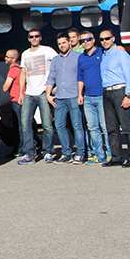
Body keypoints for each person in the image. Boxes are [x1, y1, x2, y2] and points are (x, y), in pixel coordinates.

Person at [99, 29, 130, 168]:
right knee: (111, 127)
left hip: (119, 91)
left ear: (113, 38)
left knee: (126, 126)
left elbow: (129, 74)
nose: (105, 41)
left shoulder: (120, 53)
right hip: (107, 92)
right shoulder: (104, 55)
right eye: (102, 39)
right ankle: (116, 157)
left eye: (107, 38)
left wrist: (128, 95)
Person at [17, 30, 58, 165]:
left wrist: (52, 84)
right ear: (28, 39)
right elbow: (23, 74)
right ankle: (29, 154)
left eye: (36, 36)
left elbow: (58, 63)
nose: (34, 38)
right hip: (29, 92)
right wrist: (21, 93)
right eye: (31, 37)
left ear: (40, 38)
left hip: (43, 91)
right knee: (25, 124)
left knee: (47, 124)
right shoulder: (25, 54)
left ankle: (48, 152)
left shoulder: (48, 50)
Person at [46, 33, 86, 164]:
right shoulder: (56, 60)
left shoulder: (79, 56)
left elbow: (82, 75)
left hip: (74, 95)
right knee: (59, 125)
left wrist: (81, 93)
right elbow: (51, 77)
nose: (62, 45)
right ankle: (66, 153)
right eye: (59, 44)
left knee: (77, 125)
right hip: (60, 97)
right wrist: (48, 94)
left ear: (70, 42)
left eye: (64, 42)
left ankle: (80, 153)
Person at [76, 30, 110, 164]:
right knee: (92, 127)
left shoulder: (102, 52)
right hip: (88, 97)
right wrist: (80, 94)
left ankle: (111, 153)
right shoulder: (81, 57)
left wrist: (120, 47)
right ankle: (99, 155)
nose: (85, 42)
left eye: (88, 39)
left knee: (105, 127)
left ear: (93, 40)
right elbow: (80, 76)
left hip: (101, 95)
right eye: (82, 41)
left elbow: (113, 52)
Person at [3, 49, 26, 157]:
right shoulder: (18, 68)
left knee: (19, 127)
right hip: (17, 99)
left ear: (14, 59)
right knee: (21, 126)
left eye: (8, 57)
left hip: (17, 100)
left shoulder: (13, 70)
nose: (5, 58)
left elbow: (5, 87)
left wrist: (4, 86)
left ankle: (20, 150)